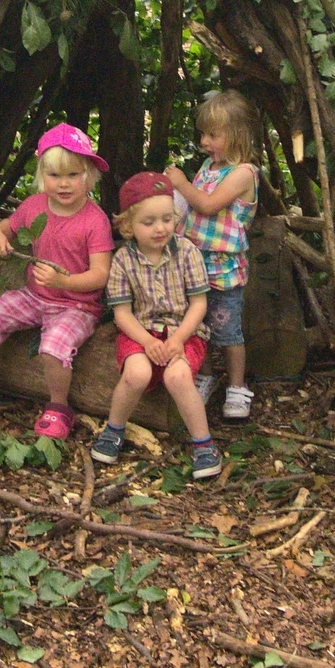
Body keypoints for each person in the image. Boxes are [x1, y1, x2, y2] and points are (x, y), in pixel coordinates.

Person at [0, 124, 113, 439]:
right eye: (55, 176)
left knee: (54, 345)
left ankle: (58, 406)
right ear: (43, 176)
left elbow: (100, 274)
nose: (64, 184)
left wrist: (63, 281)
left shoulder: (94, 220)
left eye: (73, 175)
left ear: (89, 176)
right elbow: (5, 227)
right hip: (35, 295)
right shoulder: (34, 207)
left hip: (77, 304)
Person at [90, 172, 221, 479]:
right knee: (137, 373)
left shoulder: (187, 252)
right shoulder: (123, 260)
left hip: (184, 332)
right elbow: (122, 313)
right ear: (127, 226)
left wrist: (179, 338)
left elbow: (199, 304)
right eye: (148, 222)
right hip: (141, 330)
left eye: (166, 219)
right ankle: (113, 430)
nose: (160, 228)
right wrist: (147, 342)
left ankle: (203, 444)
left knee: (177, 376)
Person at [166, 90, 259, 422]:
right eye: (203, 133)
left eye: (213, 135)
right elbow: (188, 208)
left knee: (227, 330)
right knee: (197, 328)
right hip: (194, 267)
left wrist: (179, 181)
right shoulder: (208, 166)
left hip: (222, 272)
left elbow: (206, 204)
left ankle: (236, 386)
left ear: (237, 135)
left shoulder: (243, 174)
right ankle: (204, 376)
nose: (204, 141)